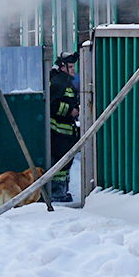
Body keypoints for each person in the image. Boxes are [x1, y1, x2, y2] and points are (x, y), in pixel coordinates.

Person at [47, 52, 79, 203]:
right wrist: (70, 110)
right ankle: (57, 192)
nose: (73, 69)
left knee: (66, 162)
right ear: (62, 67)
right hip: (58, 132)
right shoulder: (58, 82)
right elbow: (52, 105)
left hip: (66, 132)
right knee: (60, 162)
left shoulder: (66, 82)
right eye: (71, 66)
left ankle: (63, 191)